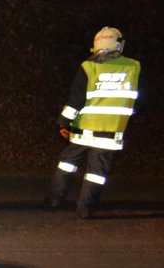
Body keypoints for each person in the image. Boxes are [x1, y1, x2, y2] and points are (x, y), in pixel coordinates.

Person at [46, 27, 142, 219]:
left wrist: (63, 122)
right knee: (96, 174)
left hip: (84, 129)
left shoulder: (89, 67)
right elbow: (140, 99)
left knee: (67, 164)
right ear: (119, 44)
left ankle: (54, 200)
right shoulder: (133, 67)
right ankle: (85, 210)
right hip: (111, 131)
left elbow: (76, 99)